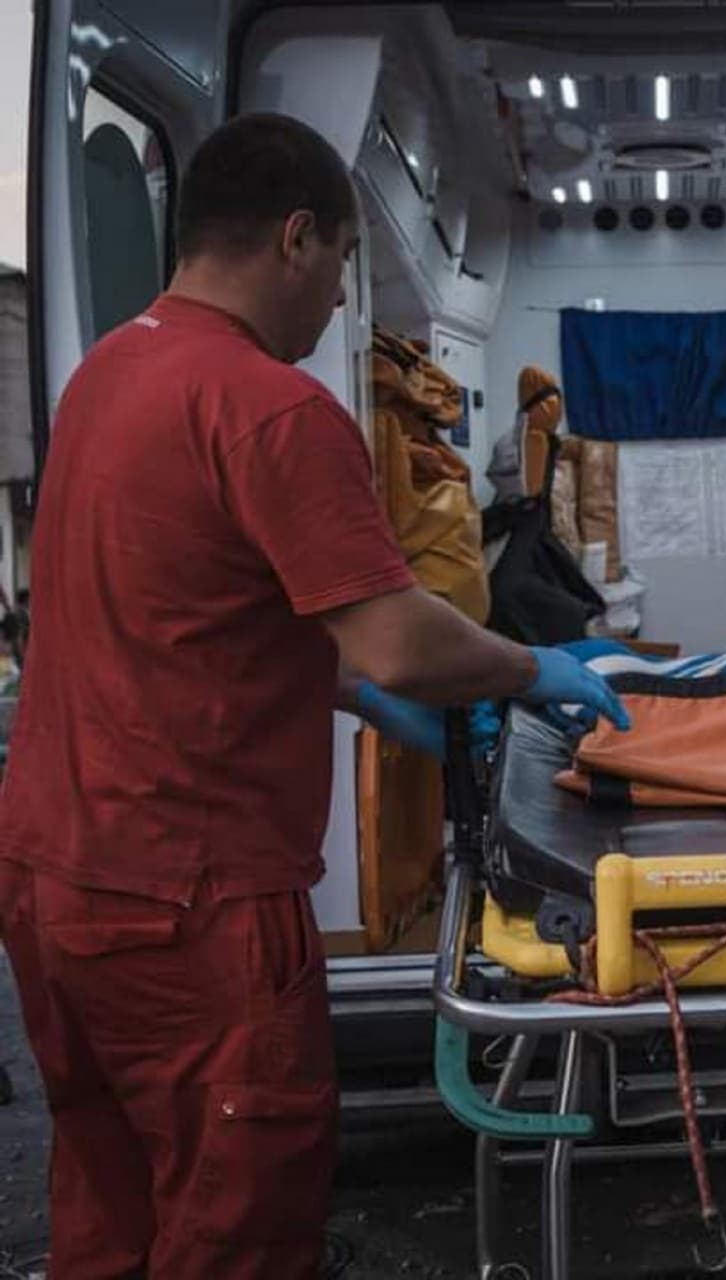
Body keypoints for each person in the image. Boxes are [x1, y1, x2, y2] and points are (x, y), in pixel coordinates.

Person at [0, 114, 628, 1278]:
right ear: (296, 239)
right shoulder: (273, 408)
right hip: (193, 898)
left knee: (110, 1191)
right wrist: (531, 665)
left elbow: (188, 617)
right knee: (239, 1216)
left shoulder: (105, 377)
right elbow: (398, 636)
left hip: (53, 880)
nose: (342, 301)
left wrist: (345, 694)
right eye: (342, 264)